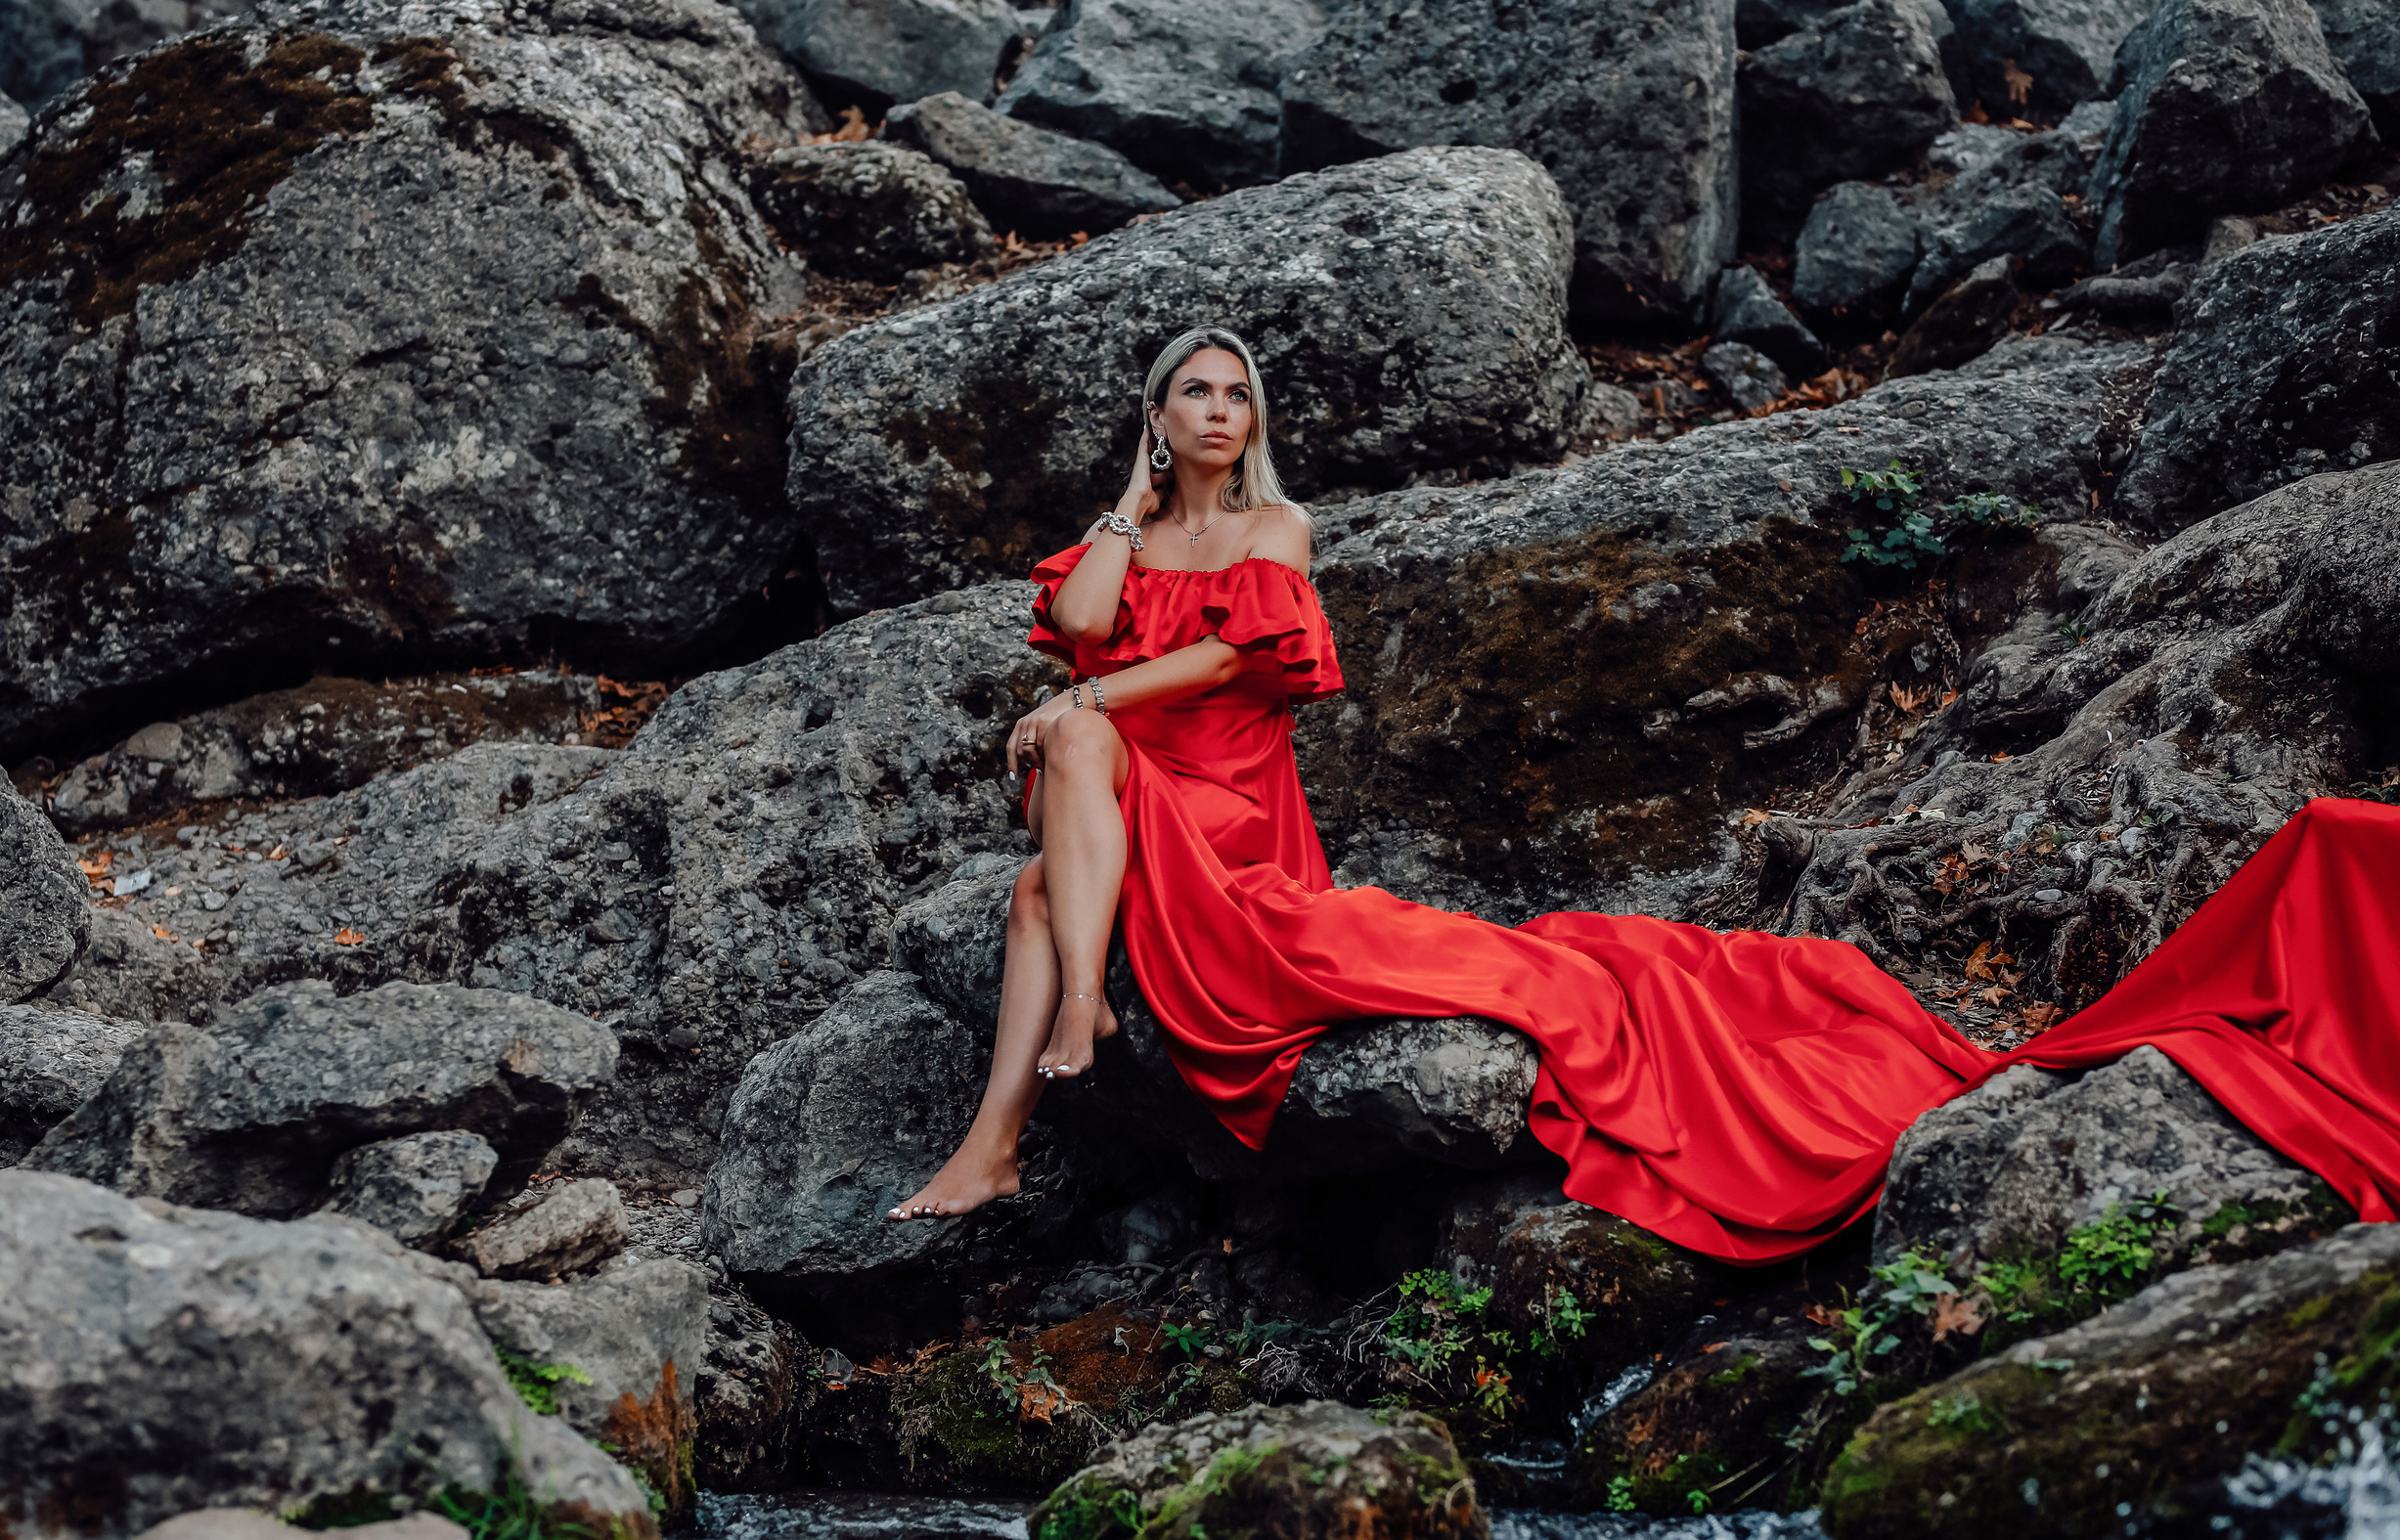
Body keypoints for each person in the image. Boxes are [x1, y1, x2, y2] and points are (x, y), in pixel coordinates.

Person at [891, 325, 2400, 1254]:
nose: (1219, 413)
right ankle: (1002, 1136)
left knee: (1069, 764)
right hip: (1118, 809)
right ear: (1160, 417)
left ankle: (1063, 1041)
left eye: (1236, 396)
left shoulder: (1276, 531)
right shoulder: (1132, 529)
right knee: (1036, 866)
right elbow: (1080, 619)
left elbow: (1218, 664)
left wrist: (1082, 703)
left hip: (1224, 818)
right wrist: (1123, 513)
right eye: (1193, 396)